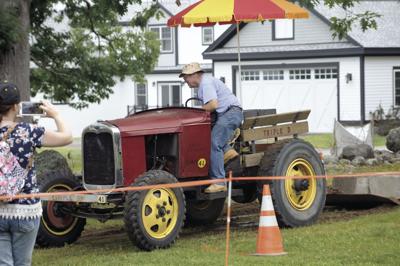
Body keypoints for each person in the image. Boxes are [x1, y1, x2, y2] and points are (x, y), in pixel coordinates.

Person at [0, 82, 73, 266]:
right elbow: (67, 137)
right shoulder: (28, 132)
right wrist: (55, 115)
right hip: (26, 210)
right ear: (17, 106)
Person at [180, 63, 243, 193]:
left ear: (193, 75)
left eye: (185, 77)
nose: (185, 81)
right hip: (229, 113)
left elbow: (213, 105)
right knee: (208, 137)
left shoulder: (206, 84)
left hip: (230, 113)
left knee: (214, 143)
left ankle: (219, 182)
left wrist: (195, 110)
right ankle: (228, 152)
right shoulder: (206, 83)